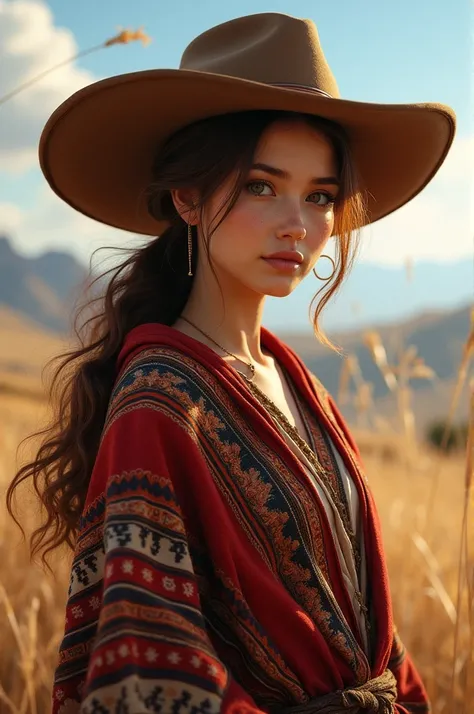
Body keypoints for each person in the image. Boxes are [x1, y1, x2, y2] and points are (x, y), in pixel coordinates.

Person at [7, 12, 455, 714]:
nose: (297, 225)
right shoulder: (158, 400)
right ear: (188, 196)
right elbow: (149, 658)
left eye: (320, 196)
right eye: (260, 185)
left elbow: (367, 620)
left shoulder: (297, 386)